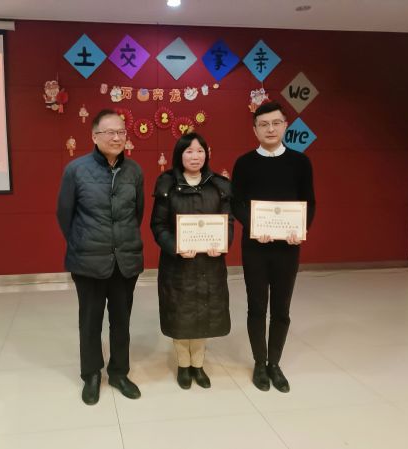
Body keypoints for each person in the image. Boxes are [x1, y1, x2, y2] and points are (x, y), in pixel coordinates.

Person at [57, 109, 144, 405]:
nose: (117, 137)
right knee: (90, 321)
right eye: (110, 132)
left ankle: (119, 373)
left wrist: (121, 242)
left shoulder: (134, 171)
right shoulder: (76, 170)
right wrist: (83, 244)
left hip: (125, 261)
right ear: (94, 136)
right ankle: (91, 374)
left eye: (121, 132)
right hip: (88, 261)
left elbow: (137, 214)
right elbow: (64, 215)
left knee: (121, 321)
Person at [231, 101, 316, 393]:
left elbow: (309, 202)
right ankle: (259, 362)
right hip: (255, 247)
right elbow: (237, 203)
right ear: (255, 129)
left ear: (285, 126)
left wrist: (301, 229)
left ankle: (274, 363)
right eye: (264, 124)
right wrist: (255, 226)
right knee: (256, 306)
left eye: (276, 123)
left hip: (287, 248)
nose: (270, 129)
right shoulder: (244, 163)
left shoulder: (300, 162)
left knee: (281, 308)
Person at [150, 132, 233, 390]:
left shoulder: (219, 186)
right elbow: (158, 225)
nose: (195, 156)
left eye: (200, 151)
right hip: (178, 265)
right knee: (180, 315)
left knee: (204, 315)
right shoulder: (167, 185)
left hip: (210, 264)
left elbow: (228, 222)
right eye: (189, 151)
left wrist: (222, 244)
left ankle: (198, 365)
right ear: (179, 155)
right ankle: (183, 365)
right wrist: (176, 247)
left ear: (207, 154)